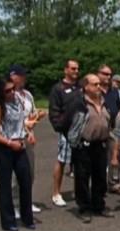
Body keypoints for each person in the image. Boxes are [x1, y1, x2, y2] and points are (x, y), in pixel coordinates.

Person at [64, 74, 115, 223]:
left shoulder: (104, 102)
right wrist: (73, 138)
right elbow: (66, 122)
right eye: (95, 84)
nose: (99, 87)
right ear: (86, 86)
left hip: (101, 144)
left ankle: (99, 205)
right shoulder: (79, 103)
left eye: (99, 84)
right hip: (84, 145)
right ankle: (84, 208)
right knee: (82, 177)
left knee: (100, 176)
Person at [0, 76, 34, 231]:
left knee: (26, 181)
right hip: (5, 148)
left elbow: (22, 122)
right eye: (8, 91)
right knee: (5, 184)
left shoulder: (18, 103)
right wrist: (8, 142)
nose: (12, 93)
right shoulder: (0, 108)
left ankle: (27, 218)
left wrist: (28, 132)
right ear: (1, 93)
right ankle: (8, 221)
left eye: (13, 89)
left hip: (19, 145)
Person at [9, 64, 45, 216]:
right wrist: (25, 125)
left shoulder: (27, 94)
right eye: (21, 75)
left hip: (27, 136)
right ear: (13, 76)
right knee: (16, 175)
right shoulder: (9, 95)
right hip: (14, 137)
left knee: (29, 172)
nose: (24, 78)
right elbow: (9, 119)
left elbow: (31, 113)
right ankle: (15, 205)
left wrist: (37, 115)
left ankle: (27, 202)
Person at [48, 59, 80, 207]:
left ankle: (80, 191)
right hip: (66, 131)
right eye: (73, 69)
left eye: (77, 69)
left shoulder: (80, 87)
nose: (75, 71)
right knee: (62, 161)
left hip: (80, 131)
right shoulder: (58, 88)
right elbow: (54, 111)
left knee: (80, 162)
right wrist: (60, 126)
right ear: (65, 70)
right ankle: (56, 193)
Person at [97, 64, 120, 194]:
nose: (108, 77)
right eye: (105, 74)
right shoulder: (94, 89)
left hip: (113, 128)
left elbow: (118, 108)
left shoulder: (114, 91)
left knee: (115, 155)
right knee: (99, 158)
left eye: (109, 74)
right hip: (99, 128)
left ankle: (114, 182)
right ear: (98, 74)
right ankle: (99, 184)